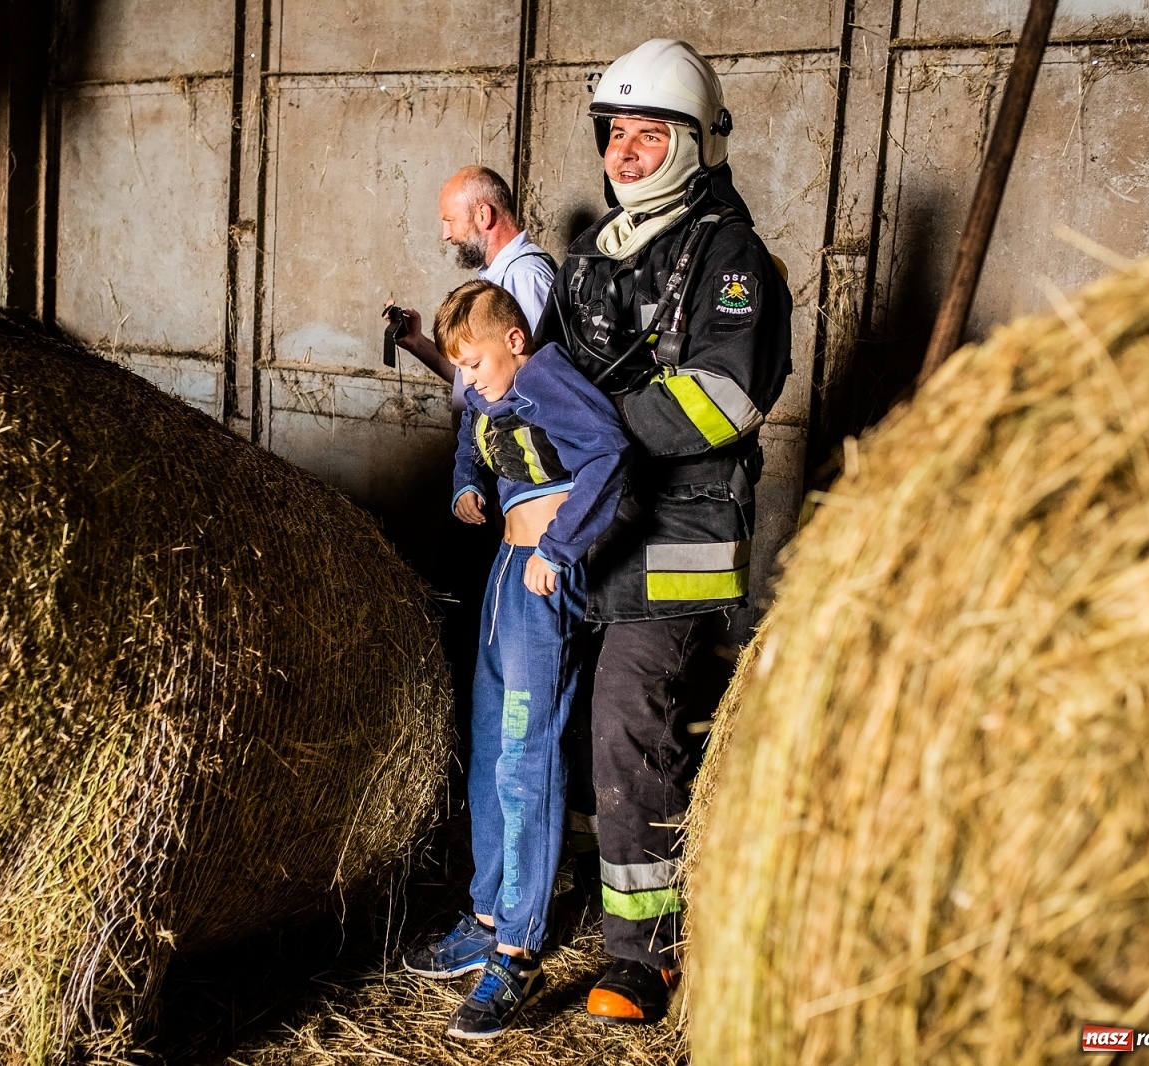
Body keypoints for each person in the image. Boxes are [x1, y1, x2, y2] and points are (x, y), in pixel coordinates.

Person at [530, 38, 794, 1024]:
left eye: (649, 134)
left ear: (696, 141)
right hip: (591, 529)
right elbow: (540, 388)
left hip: (675, 539)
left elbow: (726, 396)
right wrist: (522, 477)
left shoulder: (730, 256)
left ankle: (649, 950)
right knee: (575, 727)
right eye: (616, 133)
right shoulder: (591, 260)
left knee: (629, 715)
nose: (626, 151)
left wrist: (596, 436)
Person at [400, 280, 628, 1041]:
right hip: (505, 572)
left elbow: (608, 450)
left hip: (542, 577)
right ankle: (487, 911)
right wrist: (468, 480)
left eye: (475, 361)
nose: (467, 379)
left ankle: (518, 950)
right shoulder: (492, 389)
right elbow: (473, 429)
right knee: (492, 747)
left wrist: (561, 549)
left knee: (527, 759)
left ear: (516, 341)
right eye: (458, 367)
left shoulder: (546, 375)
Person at [386, 166, 556, 412]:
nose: (445, 235)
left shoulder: (523, 278)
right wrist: (416, 342)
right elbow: (475, 378)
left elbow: (538, 388)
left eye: (450, 221)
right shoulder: (503, 276)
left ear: (483, 215)